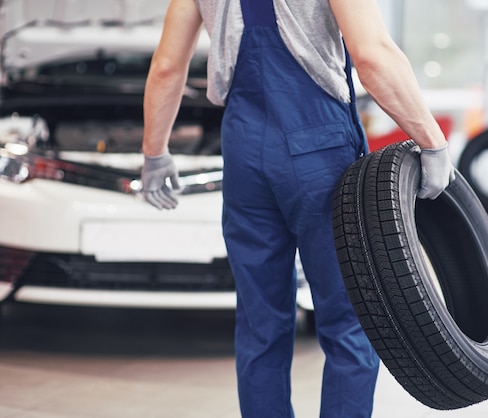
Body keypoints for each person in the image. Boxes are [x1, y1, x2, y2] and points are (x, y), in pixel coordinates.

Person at [141, 0, 454, 416]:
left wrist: (154, 152)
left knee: (260, 324)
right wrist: (431, 140)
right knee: (350, 319)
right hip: (318, 149)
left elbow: (167, 66)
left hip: (244, 151)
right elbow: (372, 54)